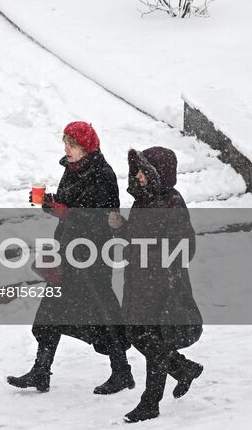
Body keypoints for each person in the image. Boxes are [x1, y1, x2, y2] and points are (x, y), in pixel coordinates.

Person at [7, 121, 132, 396]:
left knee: (103, 312)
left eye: (72, 145)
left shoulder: (103, 174)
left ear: (87, 148)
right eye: (65, 143)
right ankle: (41, 370)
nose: (67, 149)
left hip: (93, 256)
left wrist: (66, 213)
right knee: (50, 311)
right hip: (67, 253)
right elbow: (69, 203)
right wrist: (50, 203)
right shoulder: (71, 168)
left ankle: (122, 372)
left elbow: (103, 219)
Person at [108, 146, 205, 423]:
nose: (137, 175)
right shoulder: (144, 200)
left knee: (153, 341)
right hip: (139, 283)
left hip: (162, 287)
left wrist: (144, 253)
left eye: (142, 170)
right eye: (136, 169)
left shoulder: (172, 203)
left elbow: (186, 248)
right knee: (137, 335)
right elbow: (140, 238)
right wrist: (123, 228)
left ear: (156, 173)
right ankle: (183, 369)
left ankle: (150, 403)